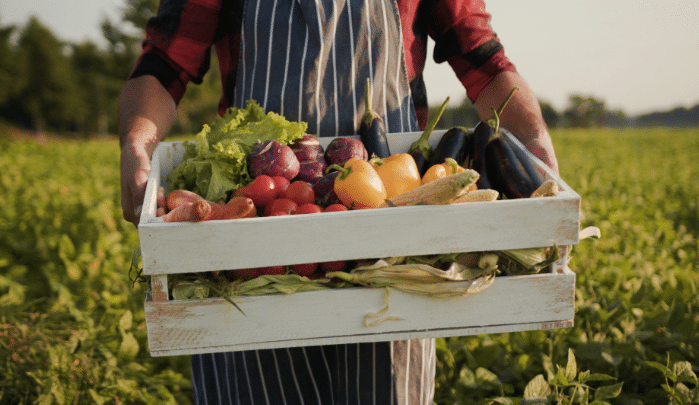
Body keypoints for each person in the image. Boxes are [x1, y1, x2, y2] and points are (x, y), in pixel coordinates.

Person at [119, 0, 559, 403]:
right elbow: (165, 64)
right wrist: (138, 145)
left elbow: (479, 53)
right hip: (257, 244)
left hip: (392, 241)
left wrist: (535, 138)